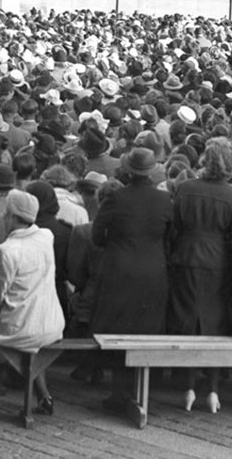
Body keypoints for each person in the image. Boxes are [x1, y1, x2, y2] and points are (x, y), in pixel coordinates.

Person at [90, 147, 173, 414]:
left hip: (120, 269)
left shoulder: (116, 198)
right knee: (146, 328)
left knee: (118, 329)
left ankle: (118, 390)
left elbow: (97, 236)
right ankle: (140, 388)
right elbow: (171, 238)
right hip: (153, 271)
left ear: (128, 170)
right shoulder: (165, 201)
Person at [167, 138, 232, 414]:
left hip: (186, 257)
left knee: (186, 319)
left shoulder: (185, 188)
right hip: (219, 262)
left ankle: (187, 383)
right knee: (216, 323)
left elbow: (173, 227)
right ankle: (212, 388)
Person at [0, 188, 65, 417]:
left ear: (15, 218)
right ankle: (44, 394)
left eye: (7, 213)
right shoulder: (46, 237)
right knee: (30, 332)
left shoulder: (8, 252)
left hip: (20, 328)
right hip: (51, 323)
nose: (3, 216)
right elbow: (26, 251)